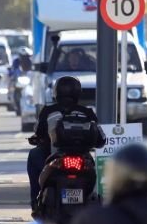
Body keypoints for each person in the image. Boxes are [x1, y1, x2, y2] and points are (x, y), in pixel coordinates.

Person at [26, 76, 103, 214]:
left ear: (56, 92)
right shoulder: (87, 112)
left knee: (33, 155)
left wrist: (39, 139)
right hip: (83, 158)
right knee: (94, 176)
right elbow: (101, 138)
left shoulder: (47, 111)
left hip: (55, 156)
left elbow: (38, 132)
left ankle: (35, 201)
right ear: (78, 92)